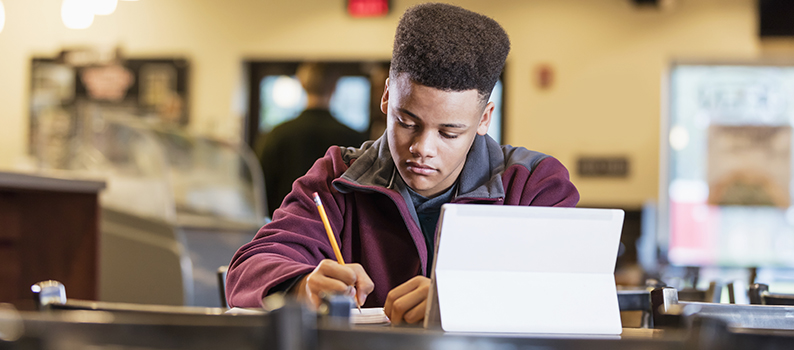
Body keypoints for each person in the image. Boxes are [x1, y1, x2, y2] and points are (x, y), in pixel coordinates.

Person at [227, 3, 579, 325]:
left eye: (449, 132)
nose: (422, 148)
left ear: (485, 118)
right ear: (386, 97)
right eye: (407, 122)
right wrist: (302, 285)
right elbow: (248, 269)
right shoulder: (338, 178)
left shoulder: (533, 185)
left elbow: (574, 293)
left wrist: (463, 299)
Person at [257, 62, 367, 213]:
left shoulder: (277, 135)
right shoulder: (356, 139)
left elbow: (260, 190)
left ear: (301, 84)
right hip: (337, 231)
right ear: (334, 87)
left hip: (286, 226)